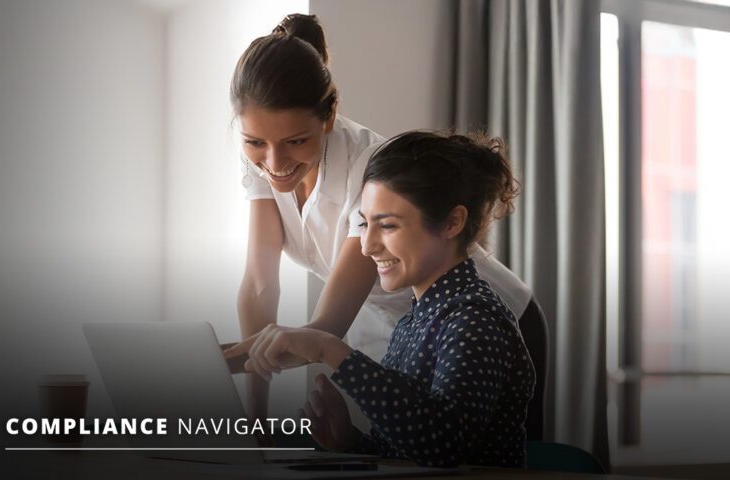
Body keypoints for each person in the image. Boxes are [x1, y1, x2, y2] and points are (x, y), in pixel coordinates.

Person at [227, 13, 533, 430]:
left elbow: (326, 329)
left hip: (475, 319)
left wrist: (209, 361)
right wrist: (255, 419)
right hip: (407, 325)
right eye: (255, 143)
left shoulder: (371, 169)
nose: (275, 163)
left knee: (471, 449)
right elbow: (260, 287)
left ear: (329, 117)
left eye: (296, 142)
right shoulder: (264, 162)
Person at [242, 131, 536, 468]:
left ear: (453, 222)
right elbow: (405, 453)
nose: (366, 246)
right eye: (365, 224)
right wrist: (348, 440)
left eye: (388, 226)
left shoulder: (474, 319)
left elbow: (446, 444)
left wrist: (330, 349)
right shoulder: (413, 322)